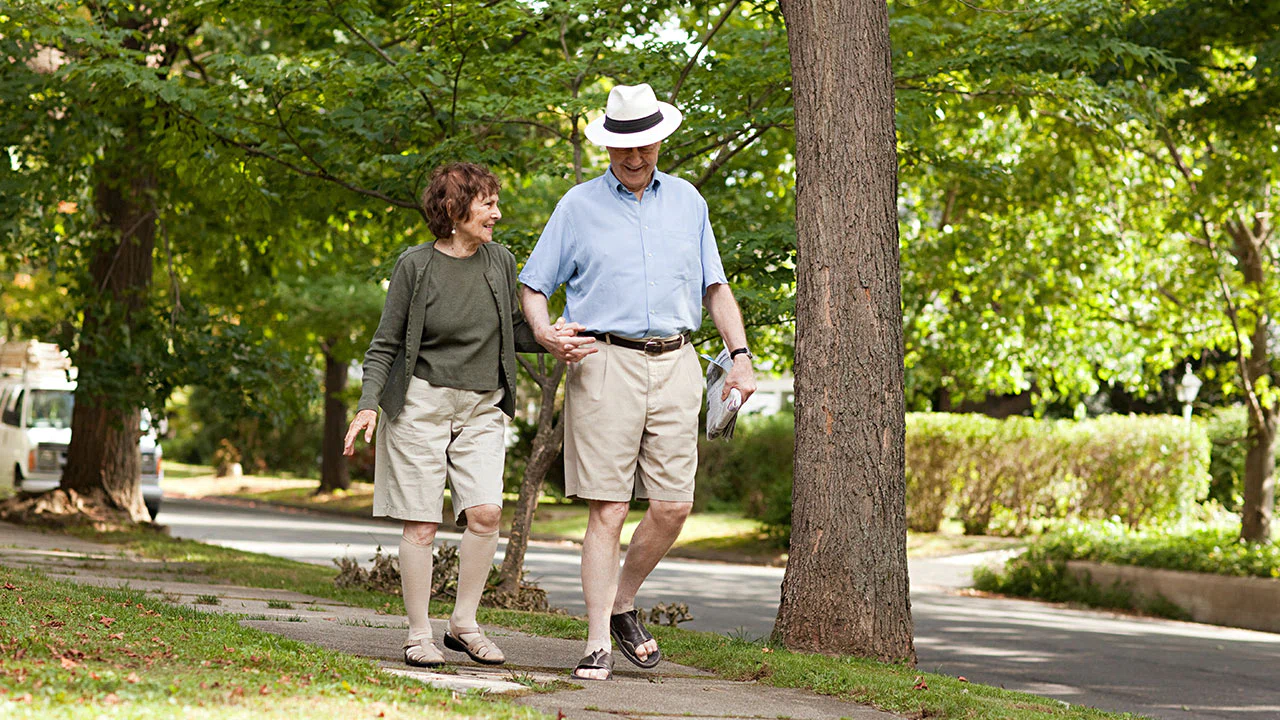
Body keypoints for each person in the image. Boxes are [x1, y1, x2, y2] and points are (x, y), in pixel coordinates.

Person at [519, 84, 757, 680]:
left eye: (644, 146)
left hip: (677, 361)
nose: (634, 157)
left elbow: (715, 286)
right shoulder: (576, 206)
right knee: (608, 506)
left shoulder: (688, 202)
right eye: (623, 147)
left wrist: (742, 355)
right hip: (603, 362)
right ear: (606, 146)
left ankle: (623, 601)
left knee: (674, 505)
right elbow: (533, 286)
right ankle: (597, 640)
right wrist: (547, 334)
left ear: (658, 140)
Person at [343, 162, 594, 669]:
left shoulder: (499, 261)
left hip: (481, 406)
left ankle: (464, 624)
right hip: (420, 406)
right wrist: (369, 403)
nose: (497, 213)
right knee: (421, 525)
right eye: (488, 204)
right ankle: (419, 634)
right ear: (455, 210)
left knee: (484, 514)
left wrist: (552, 337)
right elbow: (385, 344)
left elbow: (511, 332)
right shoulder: (415, 266)